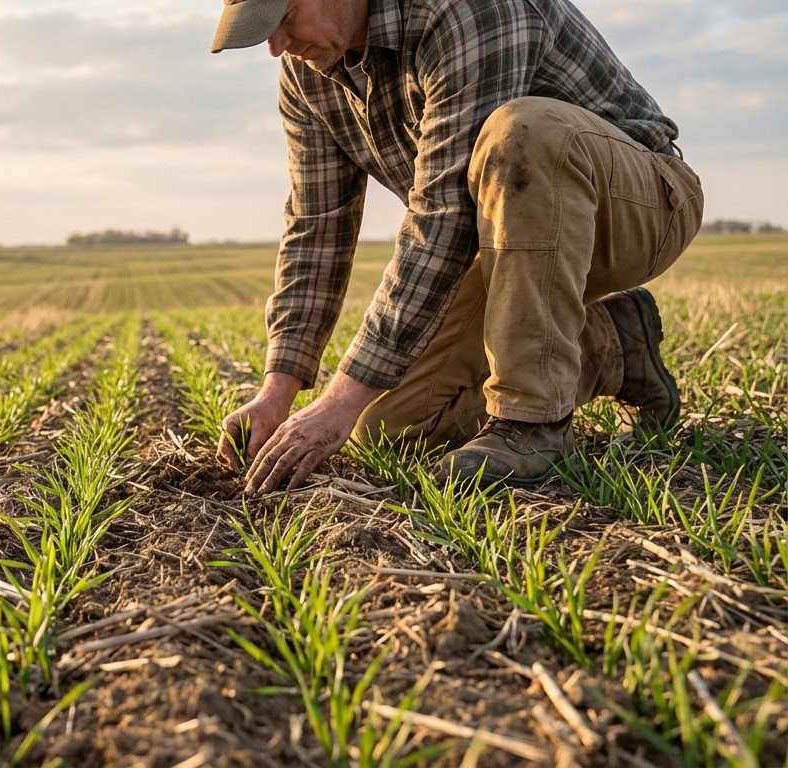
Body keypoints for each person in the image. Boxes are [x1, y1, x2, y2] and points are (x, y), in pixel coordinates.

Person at [211, 0, 704, 494]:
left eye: (285, 17)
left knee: (522, 130)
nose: (276, 46)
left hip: (637, 208)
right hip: (503, 243)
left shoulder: (466, 10)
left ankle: (530, 425)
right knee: (389, 425)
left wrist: (338, 400)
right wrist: (278, 391)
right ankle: (614, 343)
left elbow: (442, 215)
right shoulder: (308, 71)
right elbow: (316, 226)